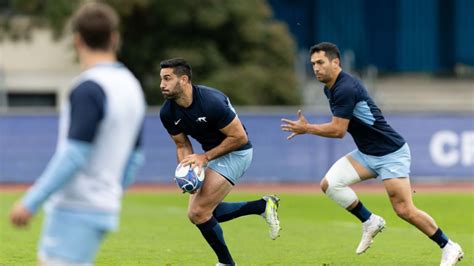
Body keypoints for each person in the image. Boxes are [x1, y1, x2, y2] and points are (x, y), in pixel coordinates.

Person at [281, 42, 464, 266]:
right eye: (312, 64)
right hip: (367, 153)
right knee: (330, 184)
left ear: (336, 62)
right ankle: (370, 220)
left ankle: (449, 246)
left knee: (404, 210)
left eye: (320, 62)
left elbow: (338, 130)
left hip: (390, 153)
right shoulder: (330, 87)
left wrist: (307, 128)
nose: (316, 68)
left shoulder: (345, 88)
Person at [9, 2, 146, 265]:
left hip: (76, 206)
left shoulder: (88, 87)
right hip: (103, 207)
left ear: (77, 40)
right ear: (114, 38)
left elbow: (74, 154)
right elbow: (135, 157)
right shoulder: (132, 87)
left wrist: (31, 201)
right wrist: (110, 196)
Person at [159, 58, 280, 266]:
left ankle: (226, 263)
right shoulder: (167, 112)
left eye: (167, 78)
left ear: (184, 80)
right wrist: (186, 170)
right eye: (161, 79)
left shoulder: (210, 101)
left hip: (237, 152)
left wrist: (204, 158)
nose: (162, 84)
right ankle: (262, 205)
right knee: (205, 212)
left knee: (198, 212)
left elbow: (240, 137)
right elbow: (182, 145)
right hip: (212, 155)